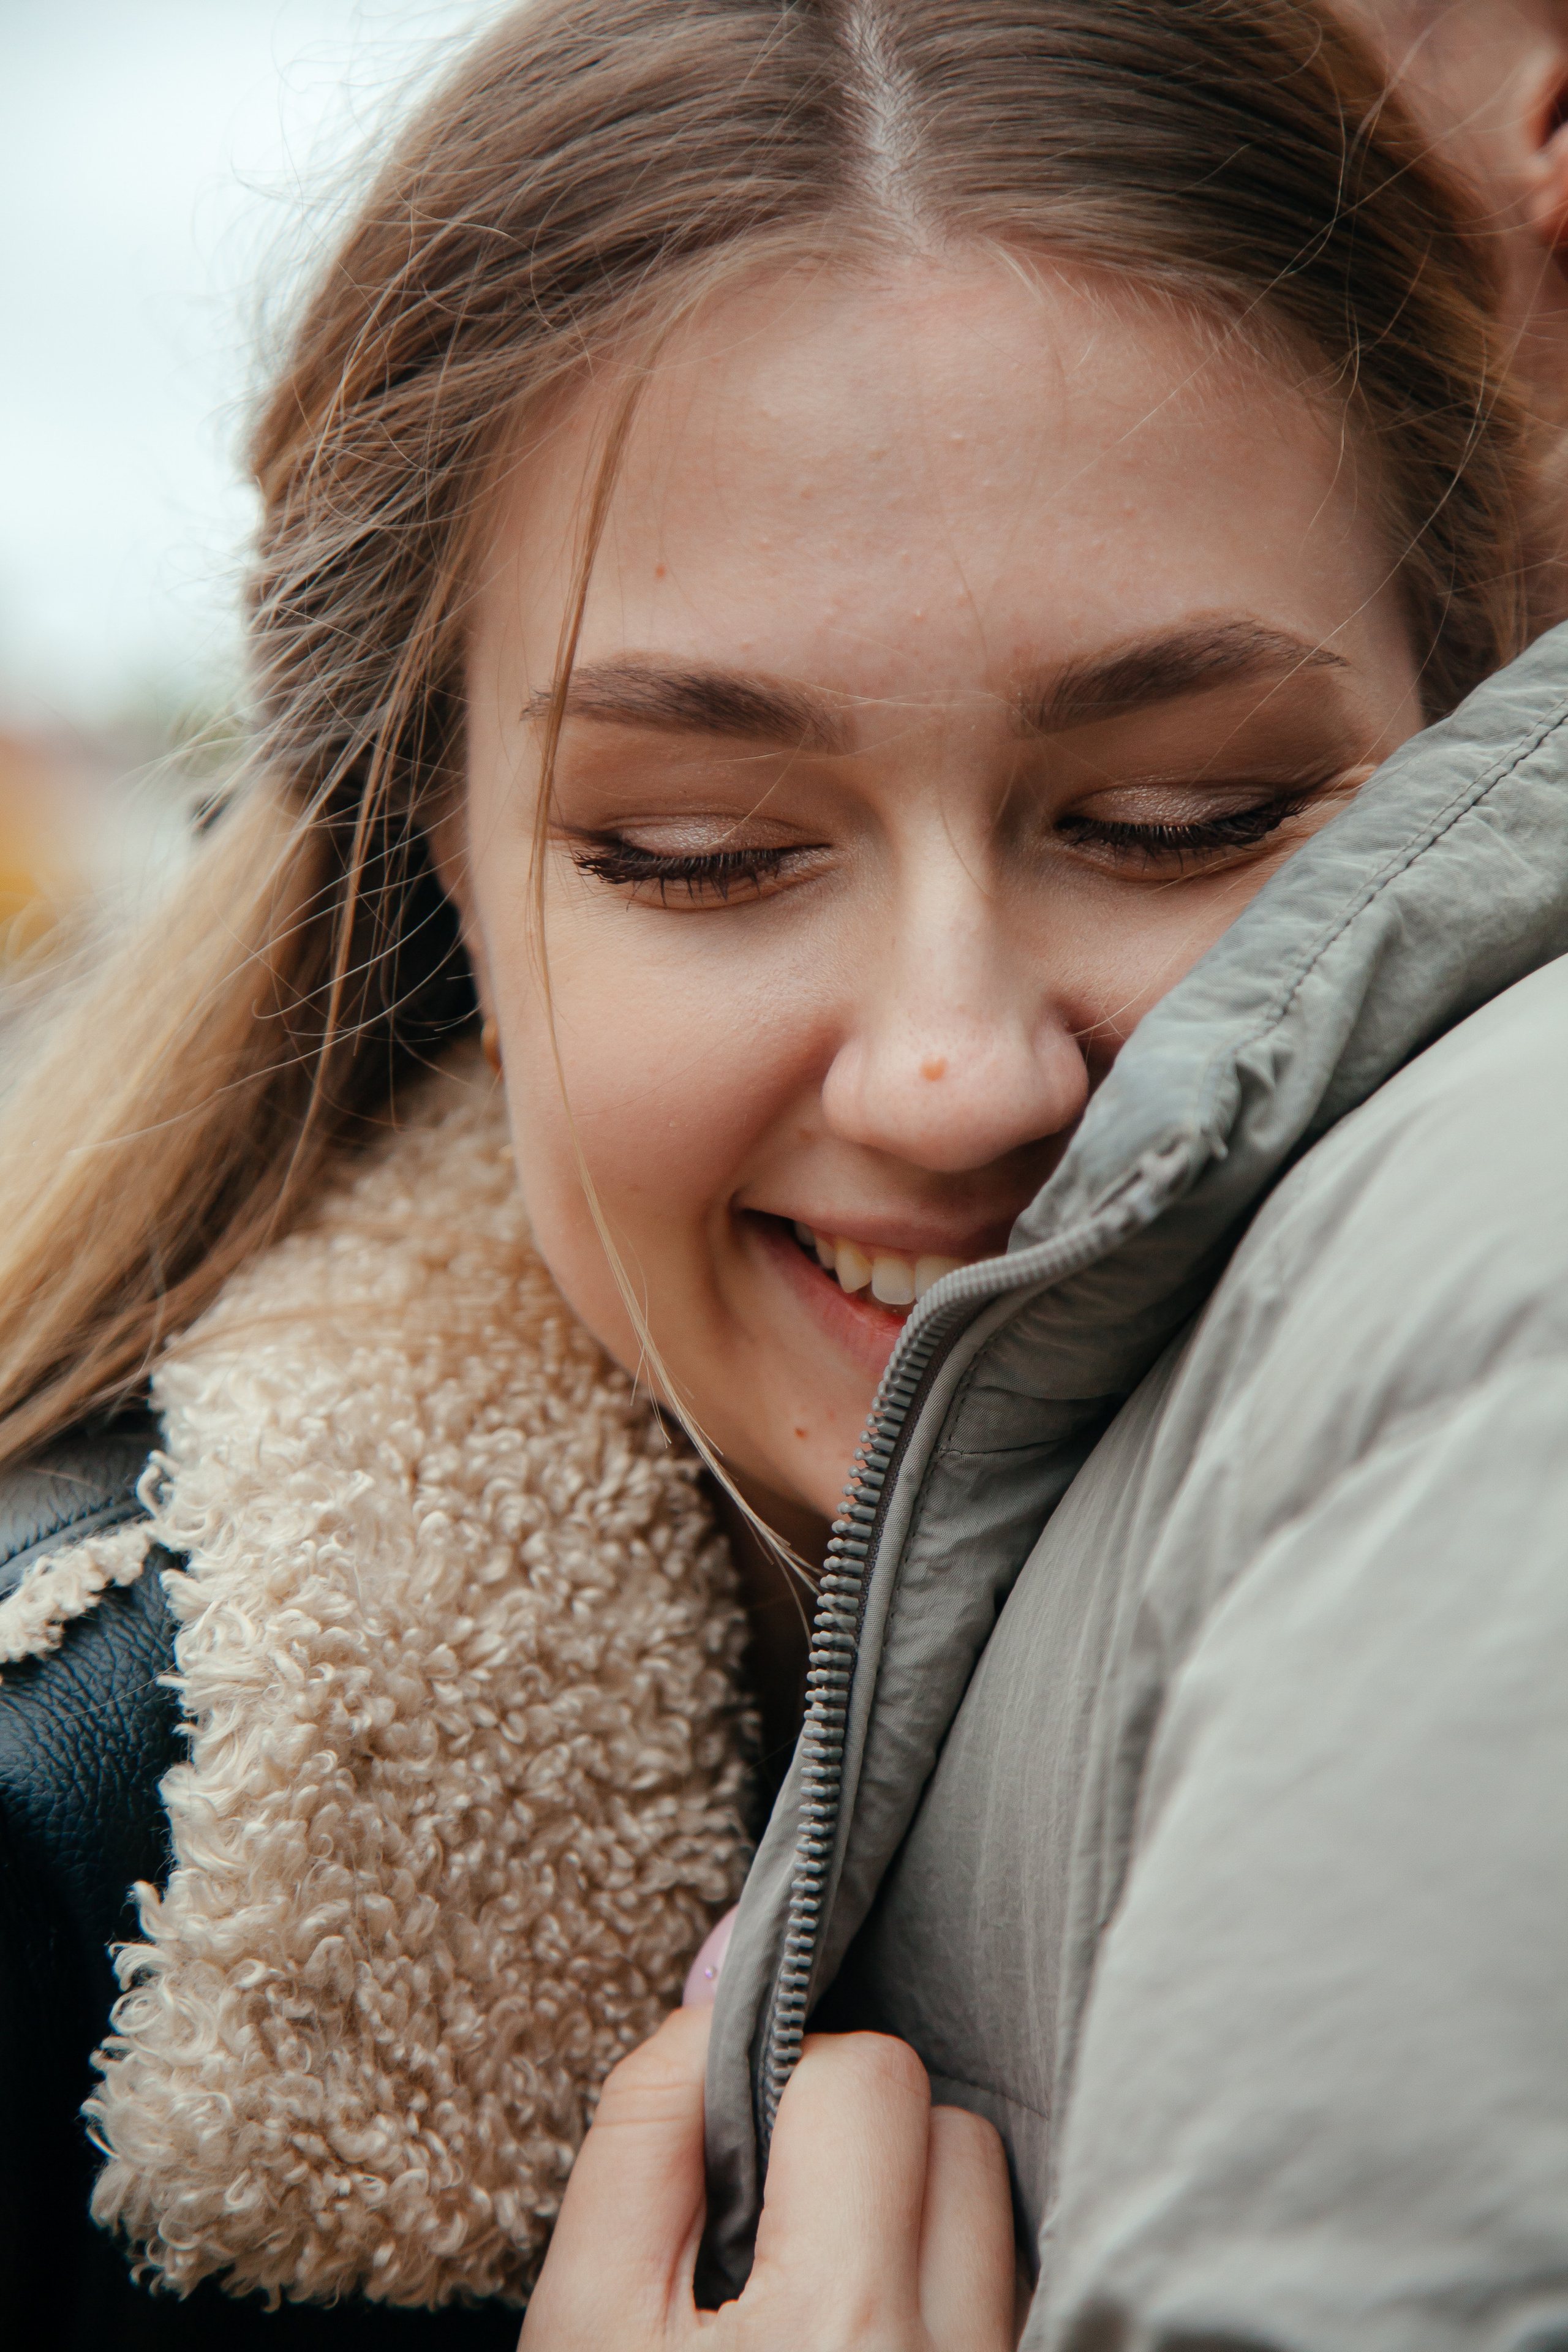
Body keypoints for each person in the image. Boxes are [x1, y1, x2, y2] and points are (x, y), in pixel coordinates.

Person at [1, 1, 1564, 2345]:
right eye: (703, 851)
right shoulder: (85, 1831)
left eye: (1183, 822)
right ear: (442, 865)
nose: (955, 1075)